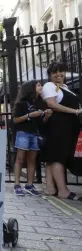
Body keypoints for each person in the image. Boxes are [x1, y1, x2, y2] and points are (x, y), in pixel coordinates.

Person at [41, 62, 82, 201]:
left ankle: (51, 188)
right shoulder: (49, 86)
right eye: (55, 72)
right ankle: (63, 191)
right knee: (57, 156)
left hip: (68, 126)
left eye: (61, 71)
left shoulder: (64, 87)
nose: (59, 75)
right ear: (50, 75)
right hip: (59, 126)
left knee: (56, 156)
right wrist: (75, 111)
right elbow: (52, 104)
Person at [12, 81, 52, 196]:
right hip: (23, 133)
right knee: (20, 159)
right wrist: (29, 115)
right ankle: (17, 184)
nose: (41, 87)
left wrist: (47, 116)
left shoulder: (41, 103)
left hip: (35, 134)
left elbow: (42, 122)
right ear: (31, 88)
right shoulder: (22, 103)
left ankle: (29, 184)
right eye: (38, 85)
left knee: (32, 160)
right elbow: (15, 120)